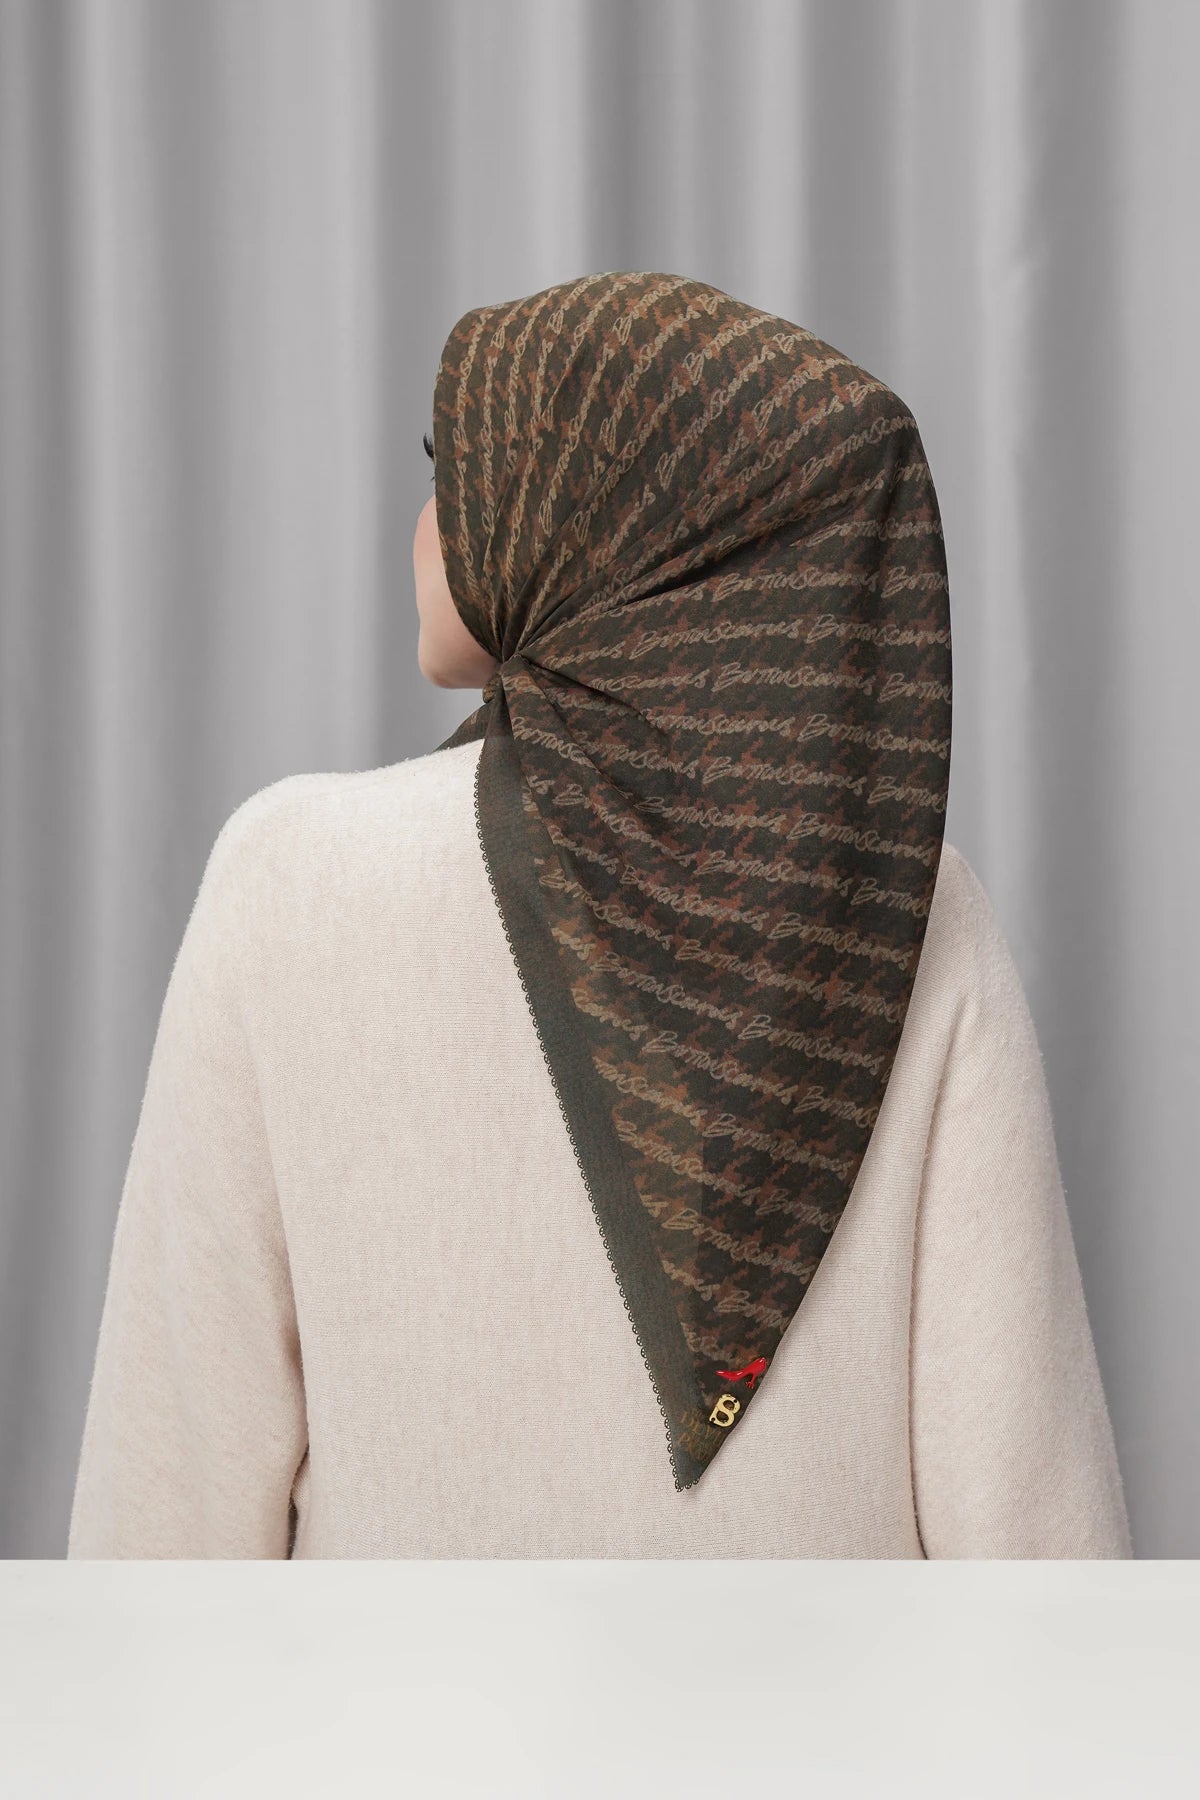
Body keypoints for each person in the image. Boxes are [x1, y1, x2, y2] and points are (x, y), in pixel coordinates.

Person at [67, 273, 1131, 1557]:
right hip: (827, 1698)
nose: (422, 526)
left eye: (452, 477)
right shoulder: (898, 897)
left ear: (584, 519)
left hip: (386, 1701)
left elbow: (167, 1510)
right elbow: (1037, 1537)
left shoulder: (285, 875)